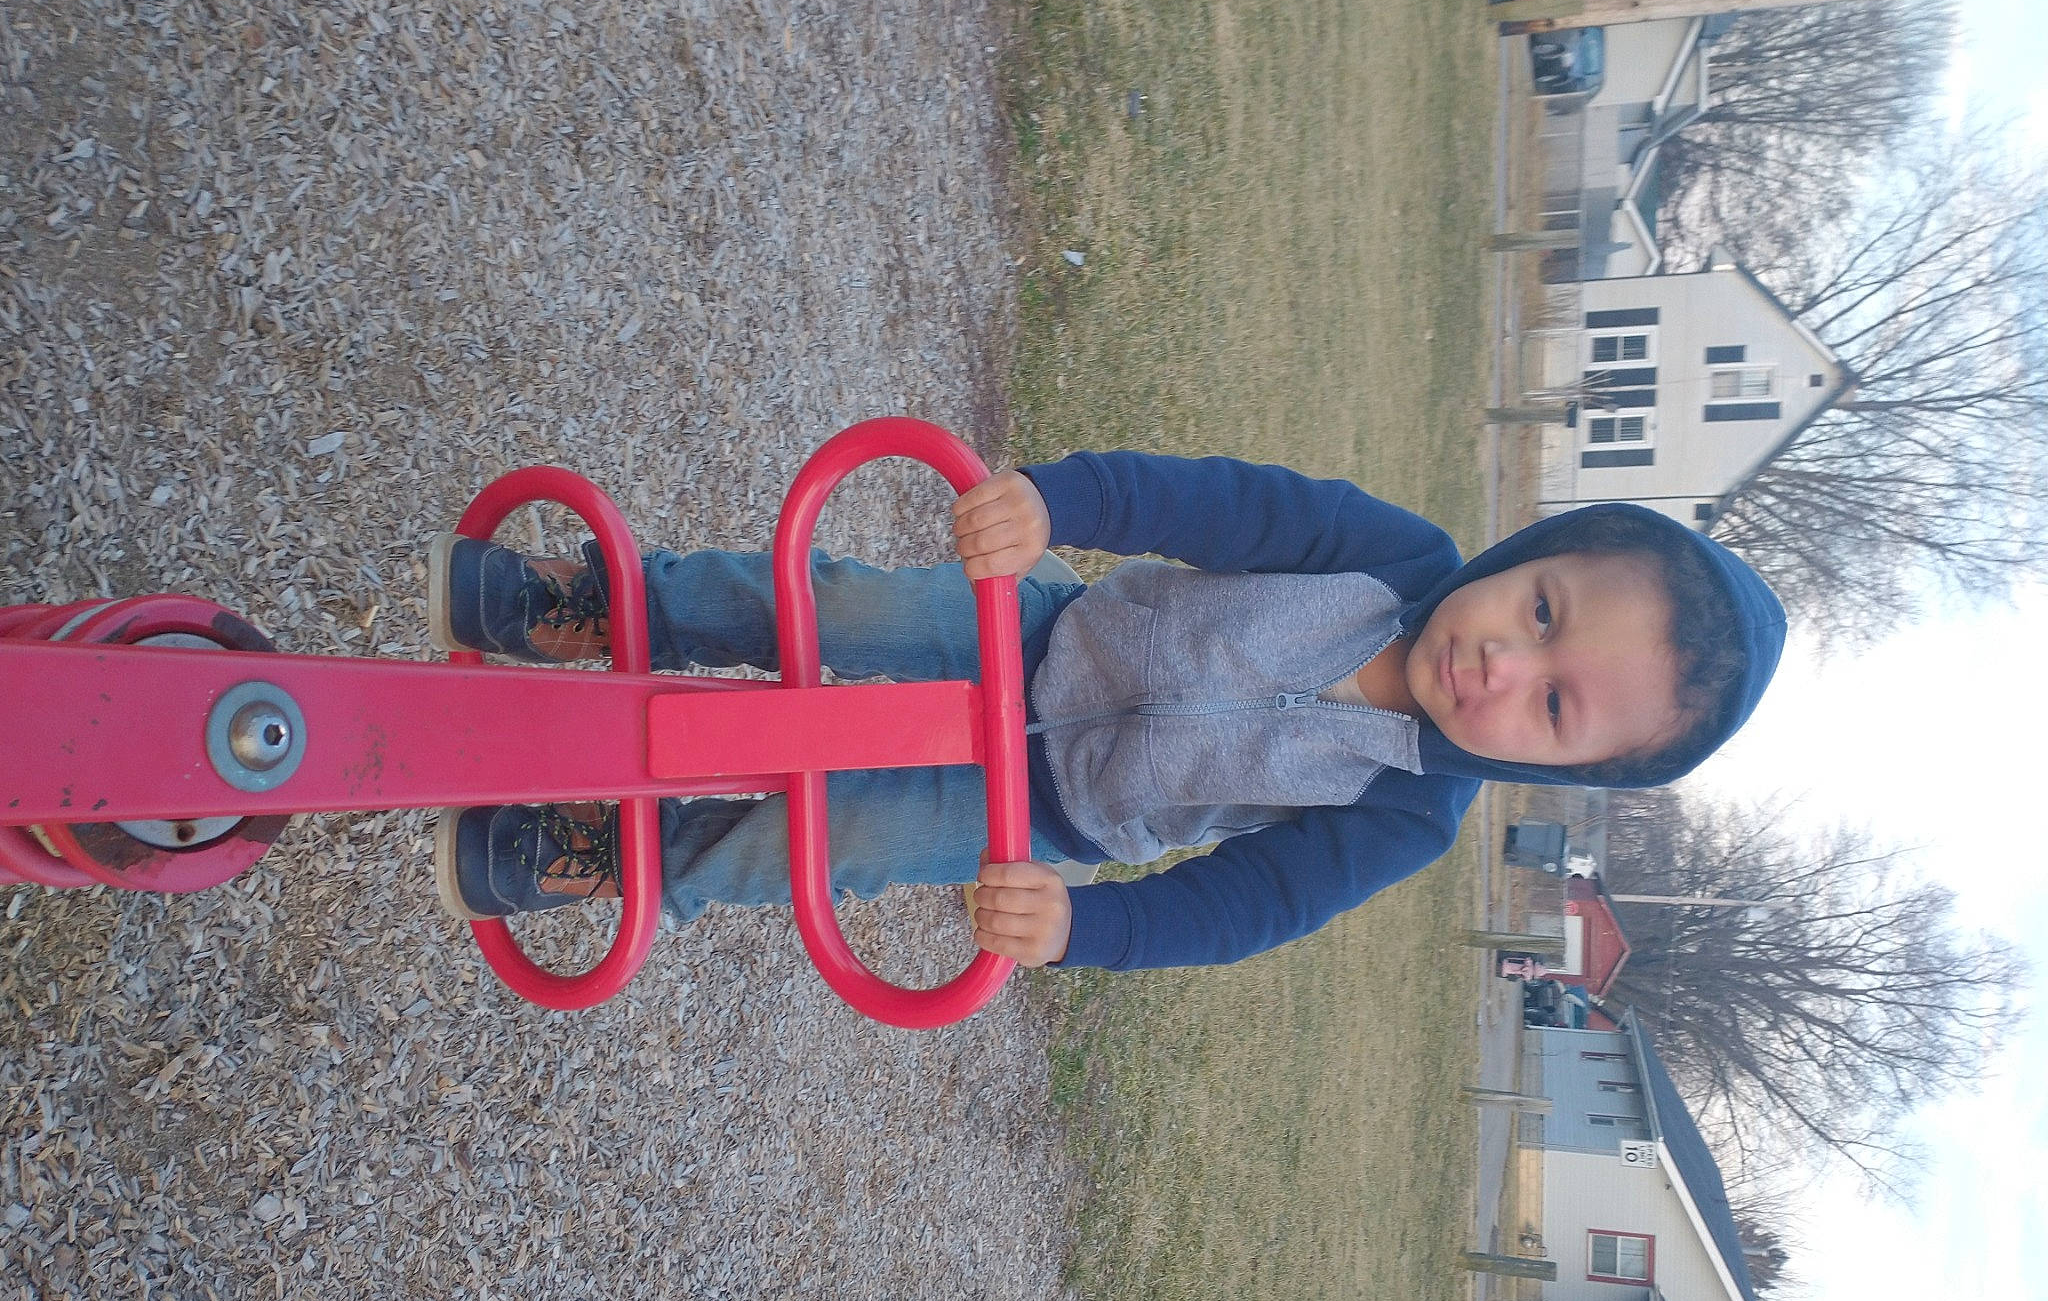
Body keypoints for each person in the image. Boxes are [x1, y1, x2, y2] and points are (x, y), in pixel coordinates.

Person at [426, 449, 1783, 972]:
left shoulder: (1409, 812)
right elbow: (1224, 502)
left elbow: (1247, 908)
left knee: (832, 844)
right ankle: (601, 607)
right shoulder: (1393, 555)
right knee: (833, 605)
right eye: (1540, 612)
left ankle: (612, 852)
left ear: (1566, 770)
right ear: (1528, 555)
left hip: (1042, 813)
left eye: (1551, 708)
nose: (1498, 666)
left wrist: (1084, 924)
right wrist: (1059, 504)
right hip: (1038, 633)